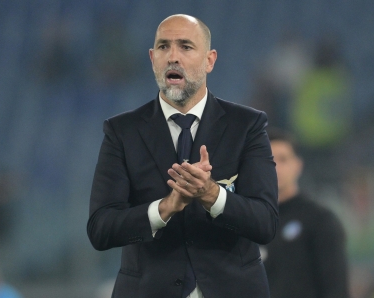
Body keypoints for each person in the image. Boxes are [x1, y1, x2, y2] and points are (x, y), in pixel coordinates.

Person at [87, 14, 278, 298]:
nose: (172, 56)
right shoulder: (121, 131)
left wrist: (211, 194)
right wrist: (165, 208)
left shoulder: (246, 126)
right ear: (152, 59)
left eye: (186, 47)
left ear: (209, 60)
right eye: (164, 47)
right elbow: (101, 229)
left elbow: (265, 223)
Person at [261, 128, 349, 298]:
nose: (276, 168)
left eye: (283, 159)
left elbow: (336, 288)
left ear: (298, 165)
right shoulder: (245, 221)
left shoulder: (319, 221)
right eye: (268, 160)